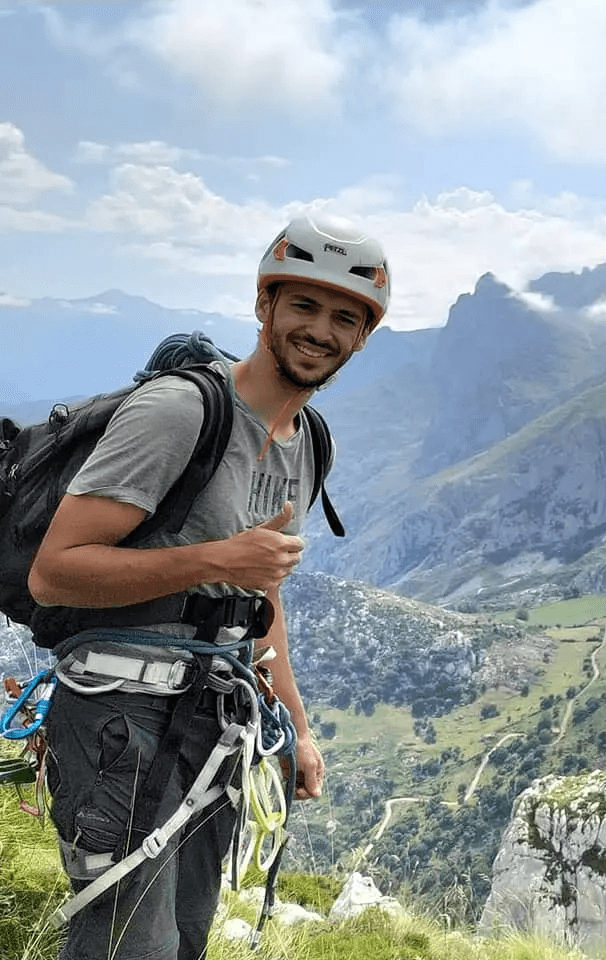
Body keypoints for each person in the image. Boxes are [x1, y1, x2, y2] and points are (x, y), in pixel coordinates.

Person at [27, 214, 390, 960]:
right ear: (264, 307)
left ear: (363, 338)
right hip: (117, 720)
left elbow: (260, 597)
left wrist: (298, 729)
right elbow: (56, 570)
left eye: (343, 318)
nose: (319, 330)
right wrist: (215, 557)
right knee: (129, 944)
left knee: (189, 935)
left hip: (215, 720)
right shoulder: (179, 411)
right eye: (303, 306)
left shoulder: (310, 441)